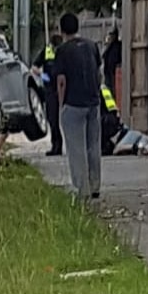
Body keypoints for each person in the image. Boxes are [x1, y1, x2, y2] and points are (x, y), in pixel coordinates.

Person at [54, 13, 103, 200]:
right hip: (93, 101)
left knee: (76, 149)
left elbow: (61, 81)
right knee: (93, 145)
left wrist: (61, 106)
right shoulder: (91, 46)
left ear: (61, 30)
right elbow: (98, 73)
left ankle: (82, 189)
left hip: (73, 104)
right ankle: (95, 184)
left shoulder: (63, 51)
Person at [32, 34, 64, 156]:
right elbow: (35, 67)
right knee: (52, 119)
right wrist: (43, 76)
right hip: (50, 89)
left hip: (63, 88)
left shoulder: (64, 51)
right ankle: (56, 144)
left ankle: (60, 144)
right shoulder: (46, 51)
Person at [102, 28, 122, 96]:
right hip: (108, 72)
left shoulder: (117, 46)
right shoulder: (109, 46)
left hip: (114, 73)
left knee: (113, 92)